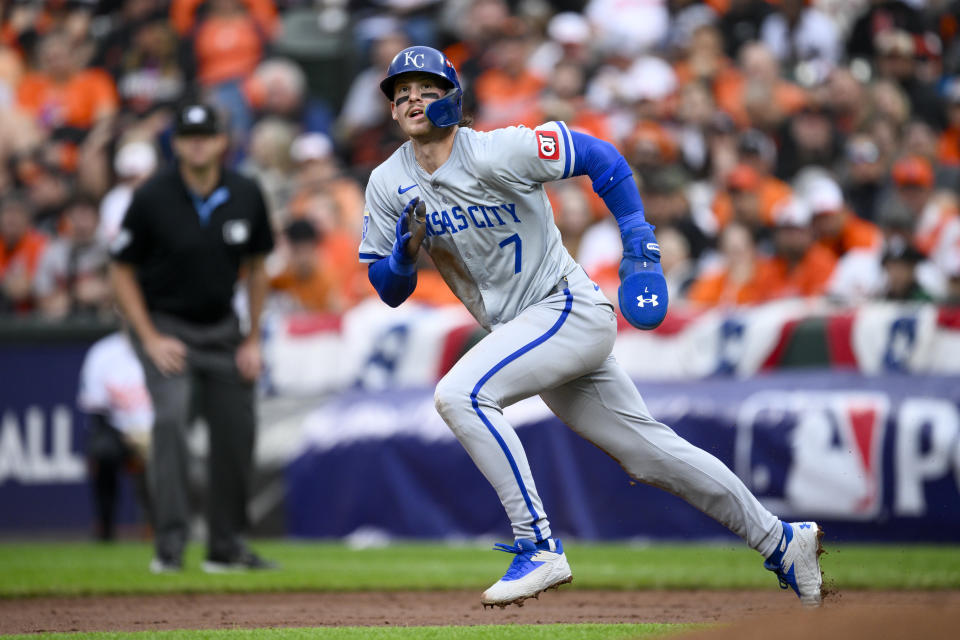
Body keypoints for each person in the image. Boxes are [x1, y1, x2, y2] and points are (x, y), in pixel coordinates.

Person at [359, 46, 824, 609]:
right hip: (527, 330)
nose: (411, 98)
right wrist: (405, 257)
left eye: (425, 87)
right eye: (400, 91)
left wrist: (641, 245)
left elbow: (600, 156)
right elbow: (389, 290)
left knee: (462, 395)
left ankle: (538, 546)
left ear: (452, 99)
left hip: (565, 307)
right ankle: (782, 542)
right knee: (650, 454)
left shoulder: (497, 150)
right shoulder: (388, 184)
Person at [109, 102, 276, 573]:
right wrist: (148, 336)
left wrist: (253, 339)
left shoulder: (245, 191)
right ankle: (169, 548)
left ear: (223, 141)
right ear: (176, 143)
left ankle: (226, 548)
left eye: (205, 134)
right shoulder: (151, 196)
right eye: (188, 135)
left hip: (224, 328)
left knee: (237, 431)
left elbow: (259, 270)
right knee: (170, 421)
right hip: (166, 326)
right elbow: (121, 270)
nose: (197, 142)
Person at [78, 330, 154, 541]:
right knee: (102, 451)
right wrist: (127, 435)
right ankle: (105, 527)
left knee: (167, 451)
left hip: (159, 431)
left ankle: (159, 526)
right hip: (118, 431)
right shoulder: (103, 352)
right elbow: (96, 410)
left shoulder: (164, 345)